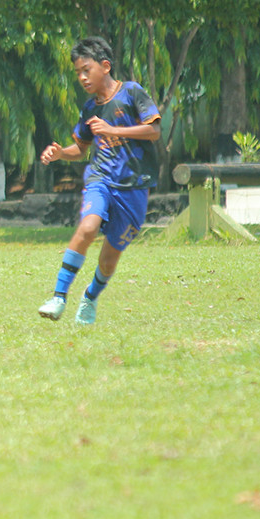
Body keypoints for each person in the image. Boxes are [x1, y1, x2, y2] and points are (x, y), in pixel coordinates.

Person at [37, 36, 161, 325]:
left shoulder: (131, 93)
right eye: (78, 72)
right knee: (88, 225)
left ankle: (90, 298)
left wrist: (113, 130)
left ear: (105, 66)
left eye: (86, 69)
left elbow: (153, 130)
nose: (81, 77)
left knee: (108, 259)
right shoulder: (89, 107)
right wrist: (59, 154)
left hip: (134, 186)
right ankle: (58, 297)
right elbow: (80, 149)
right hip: (100, 179)